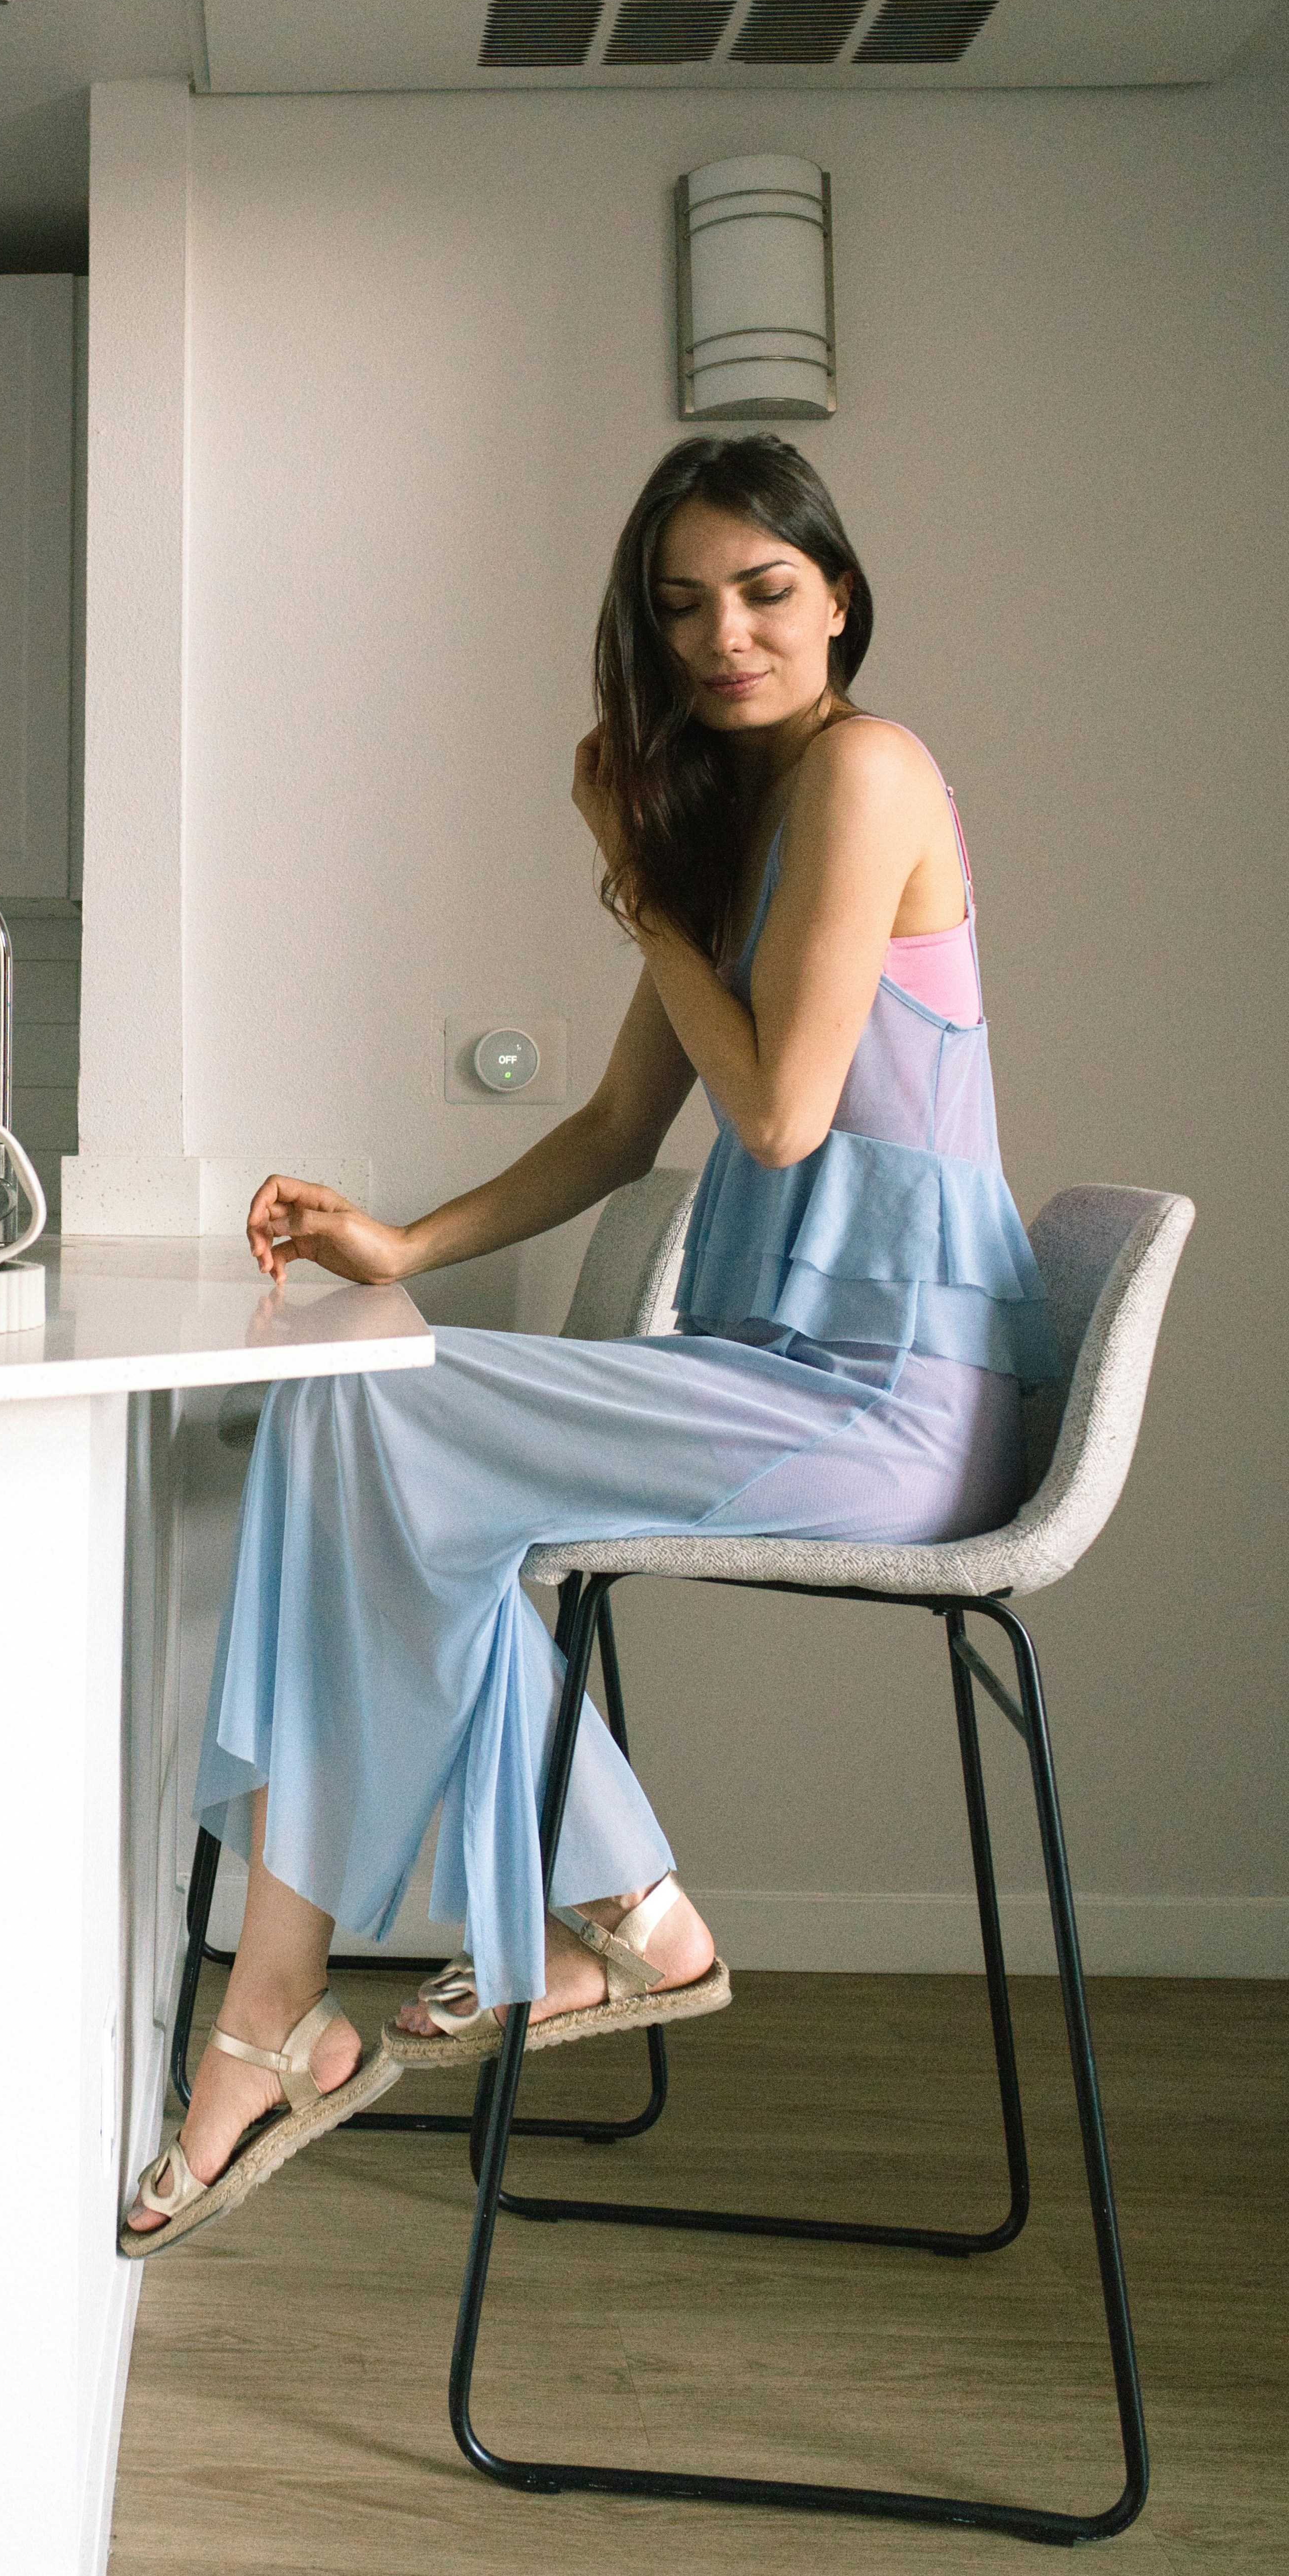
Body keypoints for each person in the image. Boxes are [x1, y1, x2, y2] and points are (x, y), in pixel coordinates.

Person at [124, 431, 1059, 2253]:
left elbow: (779, 1118)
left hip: (896, 1406)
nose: (727, 636)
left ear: (841, 596)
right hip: (787, 1377)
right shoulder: (740, 828)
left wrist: (635, 883)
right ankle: (520, 1946)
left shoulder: (870, 772)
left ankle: (368, 1991)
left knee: (369, 1434)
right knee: (358, 1431)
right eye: (682, 605)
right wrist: (406, 1240)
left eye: (767, 591)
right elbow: (624, 1135)